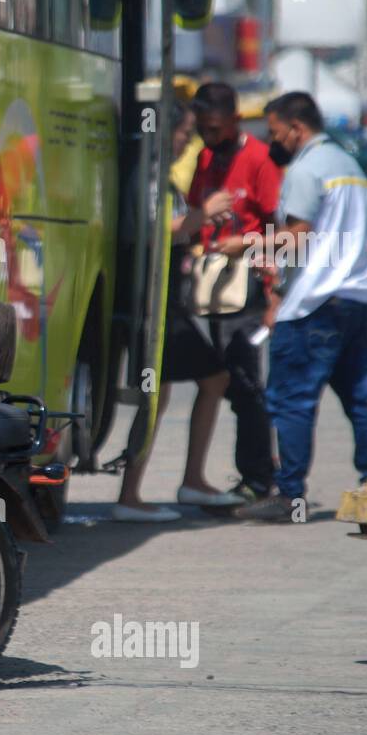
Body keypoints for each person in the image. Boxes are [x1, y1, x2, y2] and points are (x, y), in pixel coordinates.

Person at [236, 91, 367, 522]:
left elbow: (298, 235)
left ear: (296, 128)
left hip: (315, 305)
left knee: (292, 400)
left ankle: (291, 499)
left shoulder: (306, 169)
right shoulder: (351, 167)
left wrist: (245, 244)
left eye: (275, 132)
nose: (274, 140)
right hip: (357, 297)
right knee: (362, 397)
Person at [115, 102, 244, 521]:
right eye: (183, 133)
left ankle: (184, 481)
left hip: (165, 296)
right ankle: (134, 495)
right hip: (153, 300)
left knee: (183, 387)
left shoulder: (160, 174)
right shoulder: (149, 173)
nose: (187, 141)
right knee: (177, 388)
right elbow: (155, 228)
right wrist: (201, 215)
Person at [187, 82, 282, 505]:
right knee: (218, 380)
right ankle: (253, 471)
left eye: (214, 128)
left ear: (235, 120)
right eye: (202, 129)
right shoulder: (205, 157)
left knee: (245, 385)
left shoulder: (259, 159)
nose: (207, 137)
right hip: (209, 289)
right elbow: (193, 211)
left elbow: (285, 228)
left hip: (247, 291)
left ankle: (259, 479)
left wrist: (243, 244)